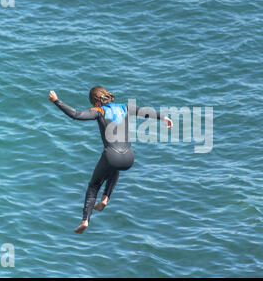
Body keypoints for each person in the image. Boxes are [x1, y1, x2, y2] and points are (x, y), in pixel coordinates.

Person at [48, 86, 173, 233]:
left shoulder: (99, 111)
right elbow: (145, 112)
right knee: (115, 166)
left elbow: (76, 114)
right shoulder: (125, 107)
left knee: (94, 185)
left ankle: (85, 220)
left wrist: (56, 101)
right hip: (129, 157)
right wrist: (163, 117)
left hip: (112, 155)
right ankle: (105, 199)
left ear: (96, 102)